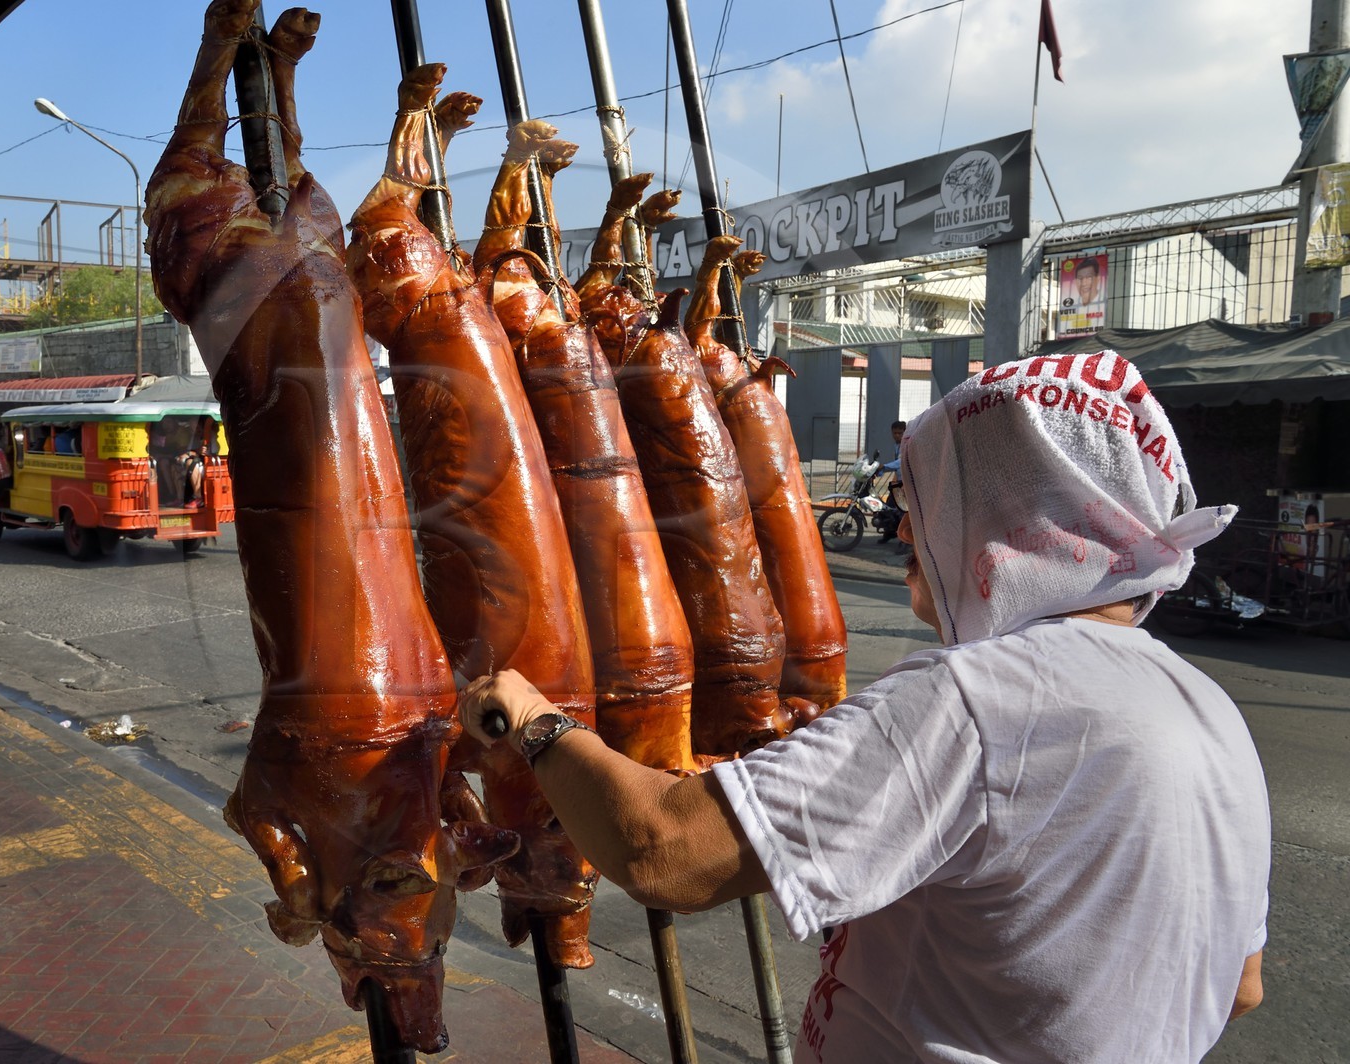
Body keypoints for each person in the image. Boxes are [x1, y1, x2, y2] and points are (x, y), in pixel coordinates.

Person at [459, 351, 1269, 1063]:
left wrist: (537, 721)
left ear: (1003, 509)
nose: (906, 525)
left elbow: (663, 849)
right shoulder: (1211, 715)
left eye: (930, 494)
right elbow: (1240, 989)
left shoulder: (977, 698)